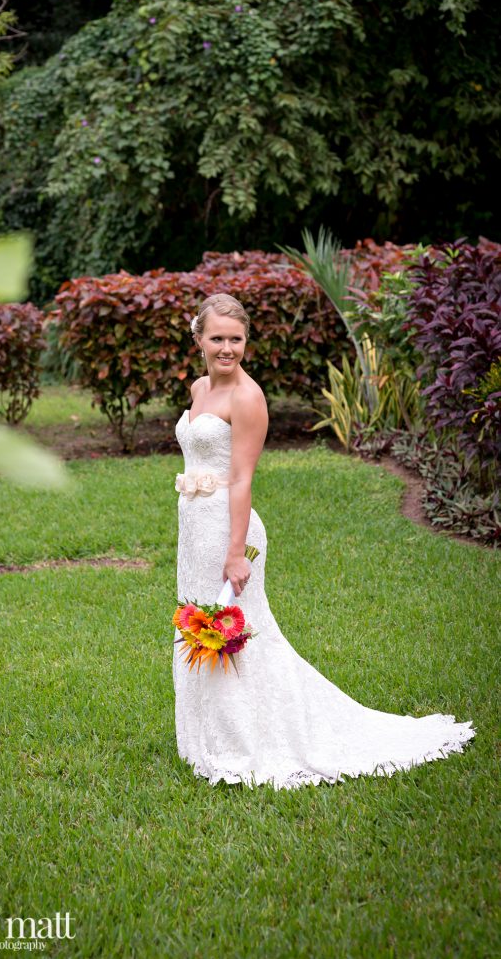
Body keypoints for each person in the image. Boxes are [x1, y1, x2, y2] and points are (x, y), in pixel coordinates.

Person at [172, 292, 476, 791]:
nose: (226, 348)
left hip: (231, 530)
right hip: (194, 530)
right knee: (198, 623)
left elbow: (242, 478)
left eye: (236, 339)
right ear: (199, 339)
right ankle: (208, 737)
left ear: (246, 342)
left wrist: (234, 552)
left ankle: (253, 740)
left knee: (239, 634)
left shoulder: (247, 397)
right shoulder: (198, 387)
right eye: (217, 338)